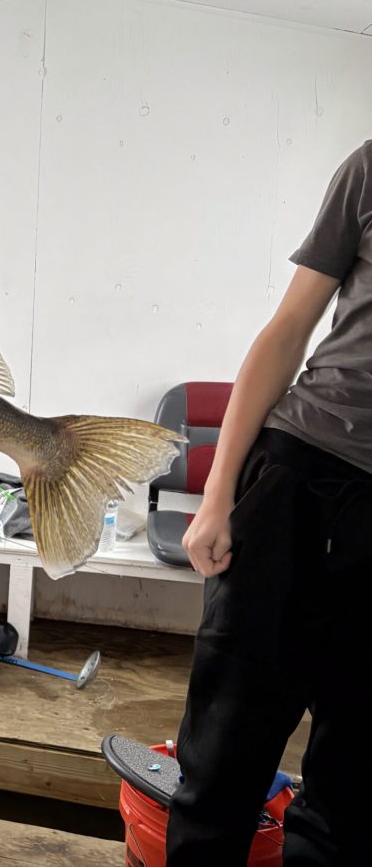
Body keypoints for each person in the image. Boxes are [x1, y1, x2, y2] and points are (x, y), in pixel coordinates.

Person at [166, 141, 372, 866]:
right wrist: (216, 494)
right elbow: (287, 331)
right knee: (226, 745)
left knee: (354, 785)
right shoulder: (368, 169)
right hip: (300, 475)